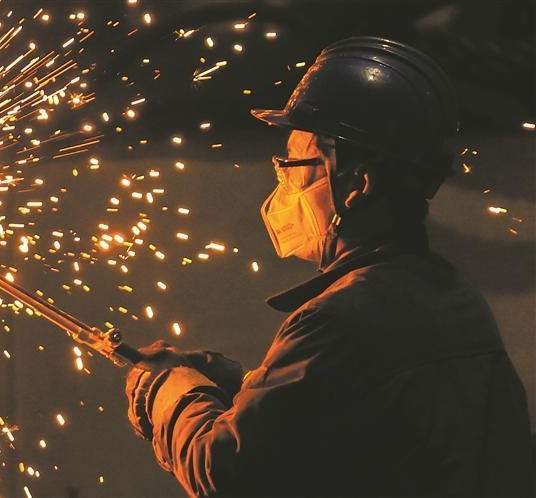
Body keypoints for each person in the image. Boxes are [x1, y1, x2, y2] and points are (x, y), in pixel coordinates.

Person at [124, 37, 533, 497]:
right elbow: (342, 415)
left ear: (358, 183)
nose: (284, 187)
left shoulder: (338, 321)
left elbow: (224, 472)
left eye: (296, 169)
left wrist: (170, 389)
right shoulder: (451, 298)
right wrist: (242, 386)